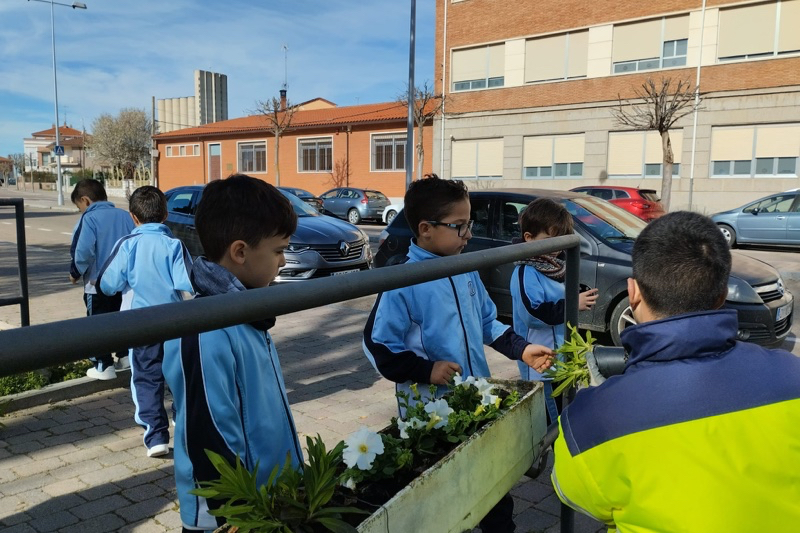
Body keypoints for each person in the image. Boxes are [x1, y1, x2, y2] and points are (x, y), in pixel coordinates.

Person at [551, 211, 800, 532]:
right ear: (722, 296)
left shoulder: (593, 420)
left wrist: (597, 400)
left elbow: (571, 492)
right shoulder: (792, 374)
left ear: (633, 292)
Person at [363, 177, 555, 533]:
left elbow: (487, 322)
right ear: (425, 229)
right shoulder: (403, 281)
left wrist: (523, 349)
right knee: (447, 500)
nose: (468, 234)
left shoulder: (464, 268)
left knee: (494, 489)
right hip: (431, 418)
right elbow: (379, 346)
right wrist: (426, 370)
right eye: (459, 226)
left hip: (476, 403)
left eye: (470, 224)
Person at [161, 175, 303, 532]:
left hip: (268, 501)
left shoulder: (247, 314)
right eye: (278, 250)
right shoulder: (205, 329)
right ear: (240, 252)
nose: (283, 261)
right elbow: (209, 435)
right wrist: (235, 514)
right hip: (230, 516)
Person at [96, 186, 193, 458]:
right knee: (179, 375)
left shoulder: (127, 244)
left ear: (133, 217)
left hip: (140, 324)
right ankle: (182, 422)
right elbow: (189, 281)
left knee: (146, 378)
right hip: (175, 323)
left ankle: (156, 436)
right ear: (166, 215)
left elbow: (107, 284)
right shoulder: (175, 245)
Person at [510, 198, 598, 423]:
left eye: (561, 240)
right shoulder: (526, 271)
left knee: (564, 411)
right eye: (550, 240)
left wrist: (579, 293)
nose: (556, 247)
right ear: (528, 238)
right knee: (550, 419)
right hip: (541, 363)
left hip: (561, 357)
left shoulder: (555, 268)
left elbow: (558, 297)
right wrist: (572, 304)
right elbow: (533, 314)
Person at [69, 178, 134, 380]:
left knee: (97, 324)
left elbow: (83, 250)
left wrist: (75, 272)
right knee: (120, 321)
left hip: (96, 284)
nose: (80, 210)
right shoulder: (125, 216)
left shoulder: (89, 219)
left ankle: (103, 365)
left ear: (85, 200)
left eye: (79, 206)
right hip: (122, 283)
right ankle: (125, 356)